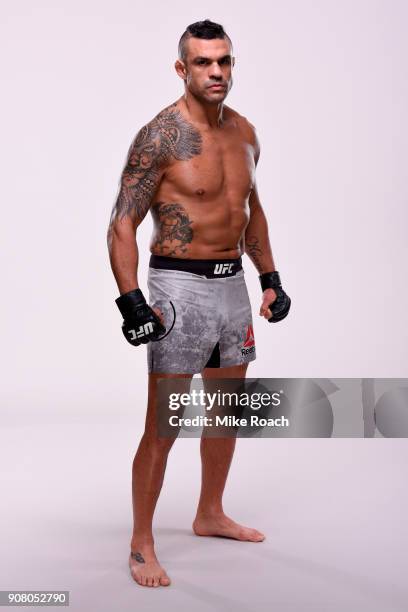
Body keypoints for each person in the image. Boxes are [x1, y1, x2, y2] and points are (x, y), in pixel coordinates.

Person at [107, 19, 291, 588]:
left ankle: (209, 512)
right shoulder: (159, 137)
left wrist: (271, 277)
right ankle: (141, 541)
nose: (217, 72)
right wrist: (132, 302)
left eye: (225, 61)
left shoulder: (245, 133)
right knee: (164, 424)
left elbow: (249, 210)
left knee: (226, 411)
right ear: (182, 68)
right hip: (177, 290)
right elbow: (122, 224)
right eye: (205, 63)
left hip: (231, 286)